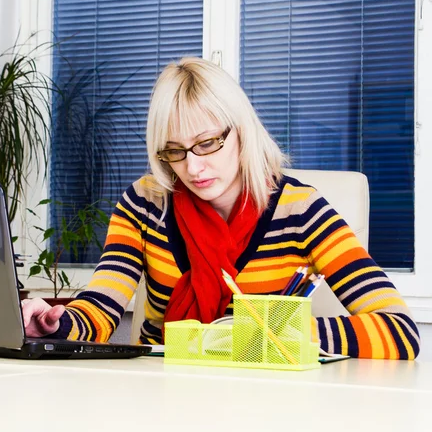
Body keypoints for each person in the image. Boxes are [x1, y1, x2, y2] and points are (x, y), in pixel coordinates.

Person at [22, 57, 420, 360]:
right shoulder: (145, 202)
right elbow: (102, 309)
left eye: (208, 142)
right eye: (174, 151)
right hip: (156, 391)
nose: (192, 168)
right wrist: (56, 323)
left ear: (241, 130)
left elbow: (400, 331)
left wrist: (277, 335)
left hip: (263, 398)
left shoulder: (302, 210)